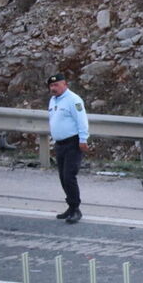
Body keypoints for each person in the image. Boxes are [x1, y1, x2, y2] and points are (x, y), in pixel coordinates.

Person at [47, 72, 89, 224]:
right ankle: (70, 207)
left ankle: (76, 209)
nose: (53, 88)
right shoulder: (53, 100)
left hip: (73, 143)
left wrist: (83, 139)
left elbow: (82, 120)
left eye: (56, 84)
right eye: (51, 85)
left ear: (65, 84)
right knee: (62, 178)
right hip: (60, 144)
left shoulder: (73, 100)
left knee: (69, 177)